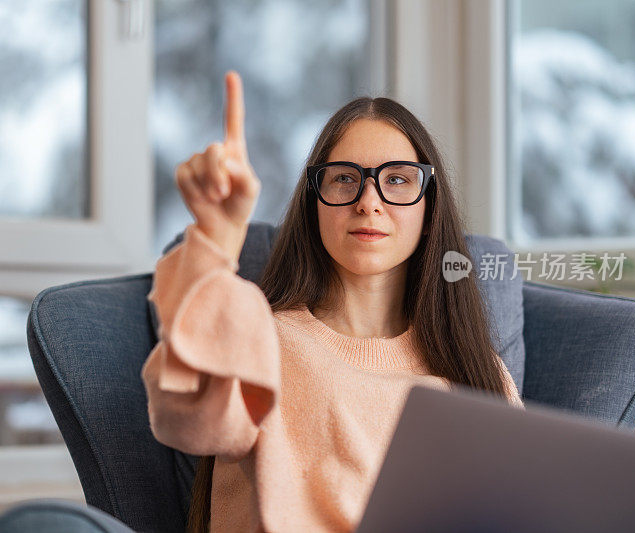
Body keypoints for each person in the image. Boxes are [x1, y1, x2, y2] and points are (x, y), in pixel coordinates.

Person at [142, 70, 524, 533]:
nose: (368, 201)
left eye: (398, 180)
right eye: (345, 179)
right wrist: (217, 239)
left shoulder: (476, 370)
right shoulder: (264, 340)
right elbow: (191, 422)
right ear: (314, 203)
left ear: (430, 209)